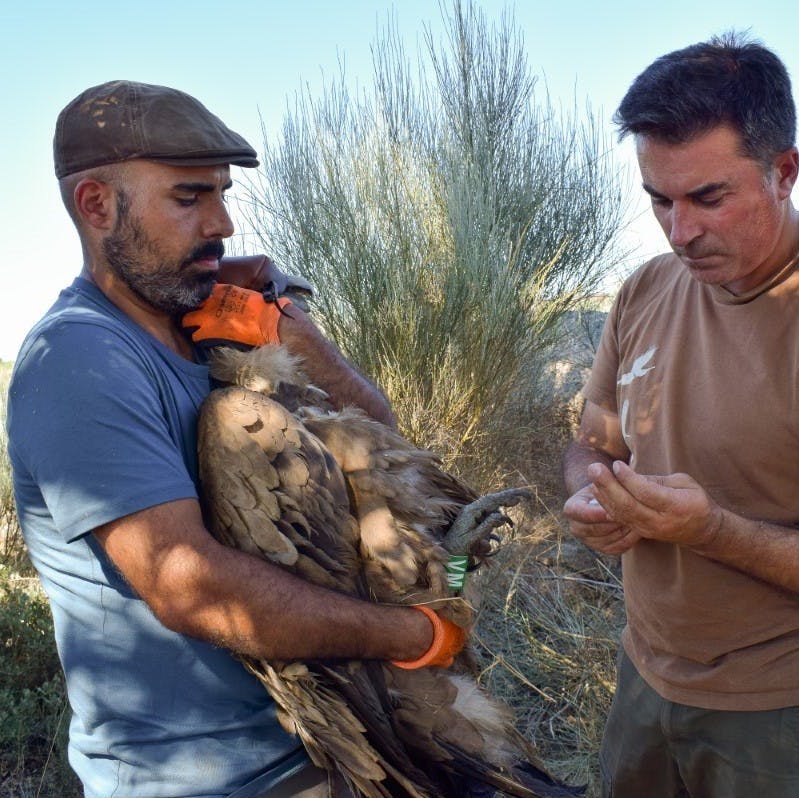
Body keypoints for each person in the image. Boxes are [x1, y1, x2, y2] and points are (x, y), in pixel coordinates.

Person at [7, 80, 466, 798]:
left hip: (337, 739)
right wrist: (413, 637)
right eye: (188, 199)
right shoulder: (80, 360)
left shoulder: (205, 328)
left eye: (222, 194)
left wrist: (289, 332)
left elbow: (385, 443)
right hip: (212, 778)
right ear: (96, 205)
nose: (221, 222)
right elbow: (187, 585)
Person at [562, 34, 799, 797]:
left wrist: (708, 531)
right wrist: (593, 491)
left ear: (783, 172)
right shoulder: (643, 290)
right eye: (658, 201)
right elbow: (591, 438)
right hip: (644, 676)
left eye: (708, 198)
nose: (679, 231)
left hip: (774, 712)